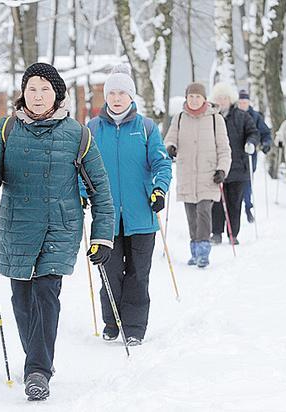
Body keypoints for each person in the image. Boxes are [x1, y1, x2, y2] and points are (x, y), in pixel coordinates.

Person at [0, 63, 115, 401]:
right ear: (23, 93)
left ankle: (37, 370)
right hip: (17, 225)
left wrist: (101, 236)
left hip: (59, 227)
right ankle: (39, 361)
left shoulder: (79, 134)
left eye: (44, 89)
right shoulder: (6, 128)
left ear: (57, 94)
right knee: (21, 301)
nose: (37, 96)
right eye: (31, 89)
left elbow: (101, 191)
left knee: (46, 295)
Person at [86, 64, 172, 346]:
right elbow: (80, 167)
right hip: (106, 216)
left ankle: (134, 326)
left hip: (141, 215)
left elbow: (161, 163)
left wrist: (159, 190)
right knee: (109, 271)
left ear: (132, 96)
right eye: (112, 92)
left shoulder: (146, 128)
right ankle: (112, 320)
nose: (117, 98)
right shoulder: (93, 129)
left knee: (138, 273)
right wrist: (82, 193)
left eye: (122, 92)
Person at [164, 83, 231, 268]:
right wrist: (170, 147)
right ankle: (194, 249)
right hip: (186, 173)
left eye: (197, 97)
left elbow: (224, 148)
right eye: (191, 96)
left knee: (203, 212)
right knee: (191, 214)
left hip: (208, 174)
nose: (194, 100)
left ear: (204, 98)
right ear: (186, 98)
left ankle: (203, 251)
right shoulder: (178, 118)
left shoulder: (215, 119)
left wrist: (222, 169)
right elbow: (170, 138)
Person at [210, 82, 259, 245]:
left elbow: (253, 132)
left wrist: (251, 142)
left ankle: (234, 234)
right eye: (218, 98)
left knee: (234, 203)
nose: (222, 101)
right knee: (216, 203)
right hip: (217, 167)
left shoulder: (242, 116)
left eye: (224, 98)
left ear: (230, 99)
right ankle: (216, 232)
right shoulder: (211, 117)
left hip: (238, 167)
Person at [236, 90, 272, 223]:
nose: (242, 105)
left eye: (244, 102)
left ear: (248, 103)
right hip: (234, 154)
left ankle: (248, 207)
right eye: (240, 102)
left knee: (247, 181)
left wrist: (266, 143)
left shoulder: (255, 116)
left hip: (250, 154)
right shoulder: (233, 114)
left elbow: (265, 133)